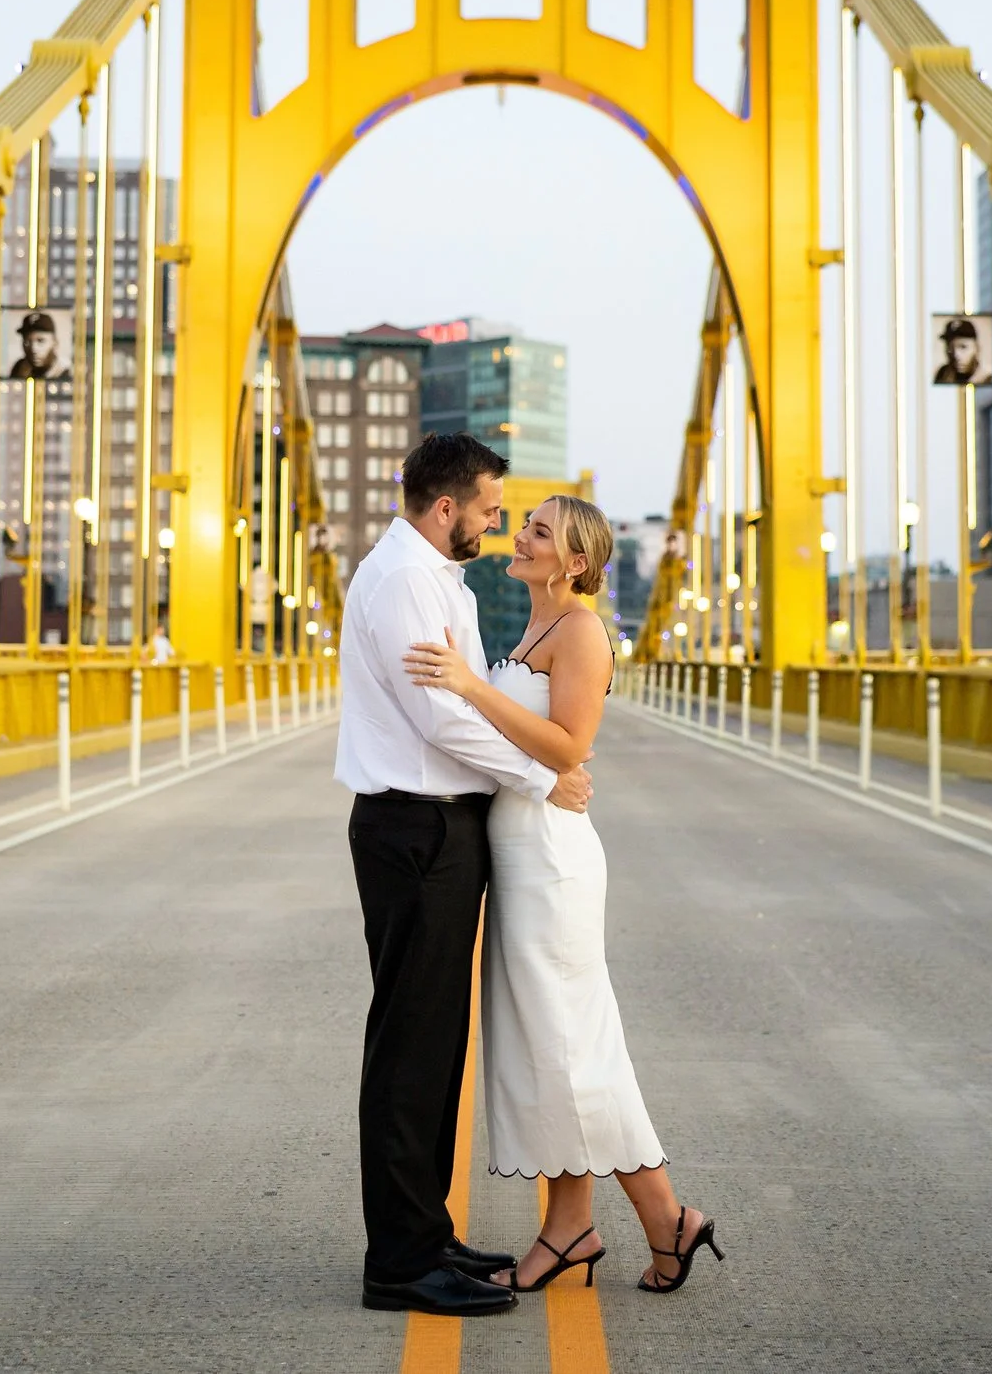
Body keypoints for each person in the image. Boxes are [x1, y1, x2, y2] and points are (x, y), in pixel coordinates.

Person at [403, 494, 722, 1298]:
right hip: (519, 854)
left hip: (553, 860)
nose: (522, 534)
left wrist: (472, 688)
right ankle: (576, 1225)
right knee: (555, 1044)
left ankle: (662, 1216)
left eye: (540, 530)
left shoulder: (580, 629)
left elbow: (570, 744)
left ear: (576, 561)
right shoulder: (534, 627)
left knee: (574, 1045)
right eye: (526, 523)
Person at [333, 433, 593, 1319]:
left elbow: (469, 696)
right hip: (415, 827)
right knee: (411, 1045)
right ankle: (400, 1261)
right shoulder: (406, 580)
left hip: (441, 827)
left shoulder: (440, 579)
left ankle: (425, 1232)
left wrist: (527, 771)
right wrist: (540, 775)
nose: (497, 521)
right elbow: (441, 718)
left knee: (436, 1043)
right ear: (446, 508)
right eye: (489, 507)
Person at [7, 309, 69, 381]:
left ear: (55, 343)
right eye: (27, 342)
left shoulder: (67, 373)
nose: (33, 349)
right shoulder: (20, 367)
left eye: (41, 341)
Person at [933, 315, 987, 386]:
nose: (956, 355)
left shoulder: (987, 378)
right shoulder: (943, 373)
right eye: (950, 348)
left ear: (977, 349)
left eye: (963, 347)